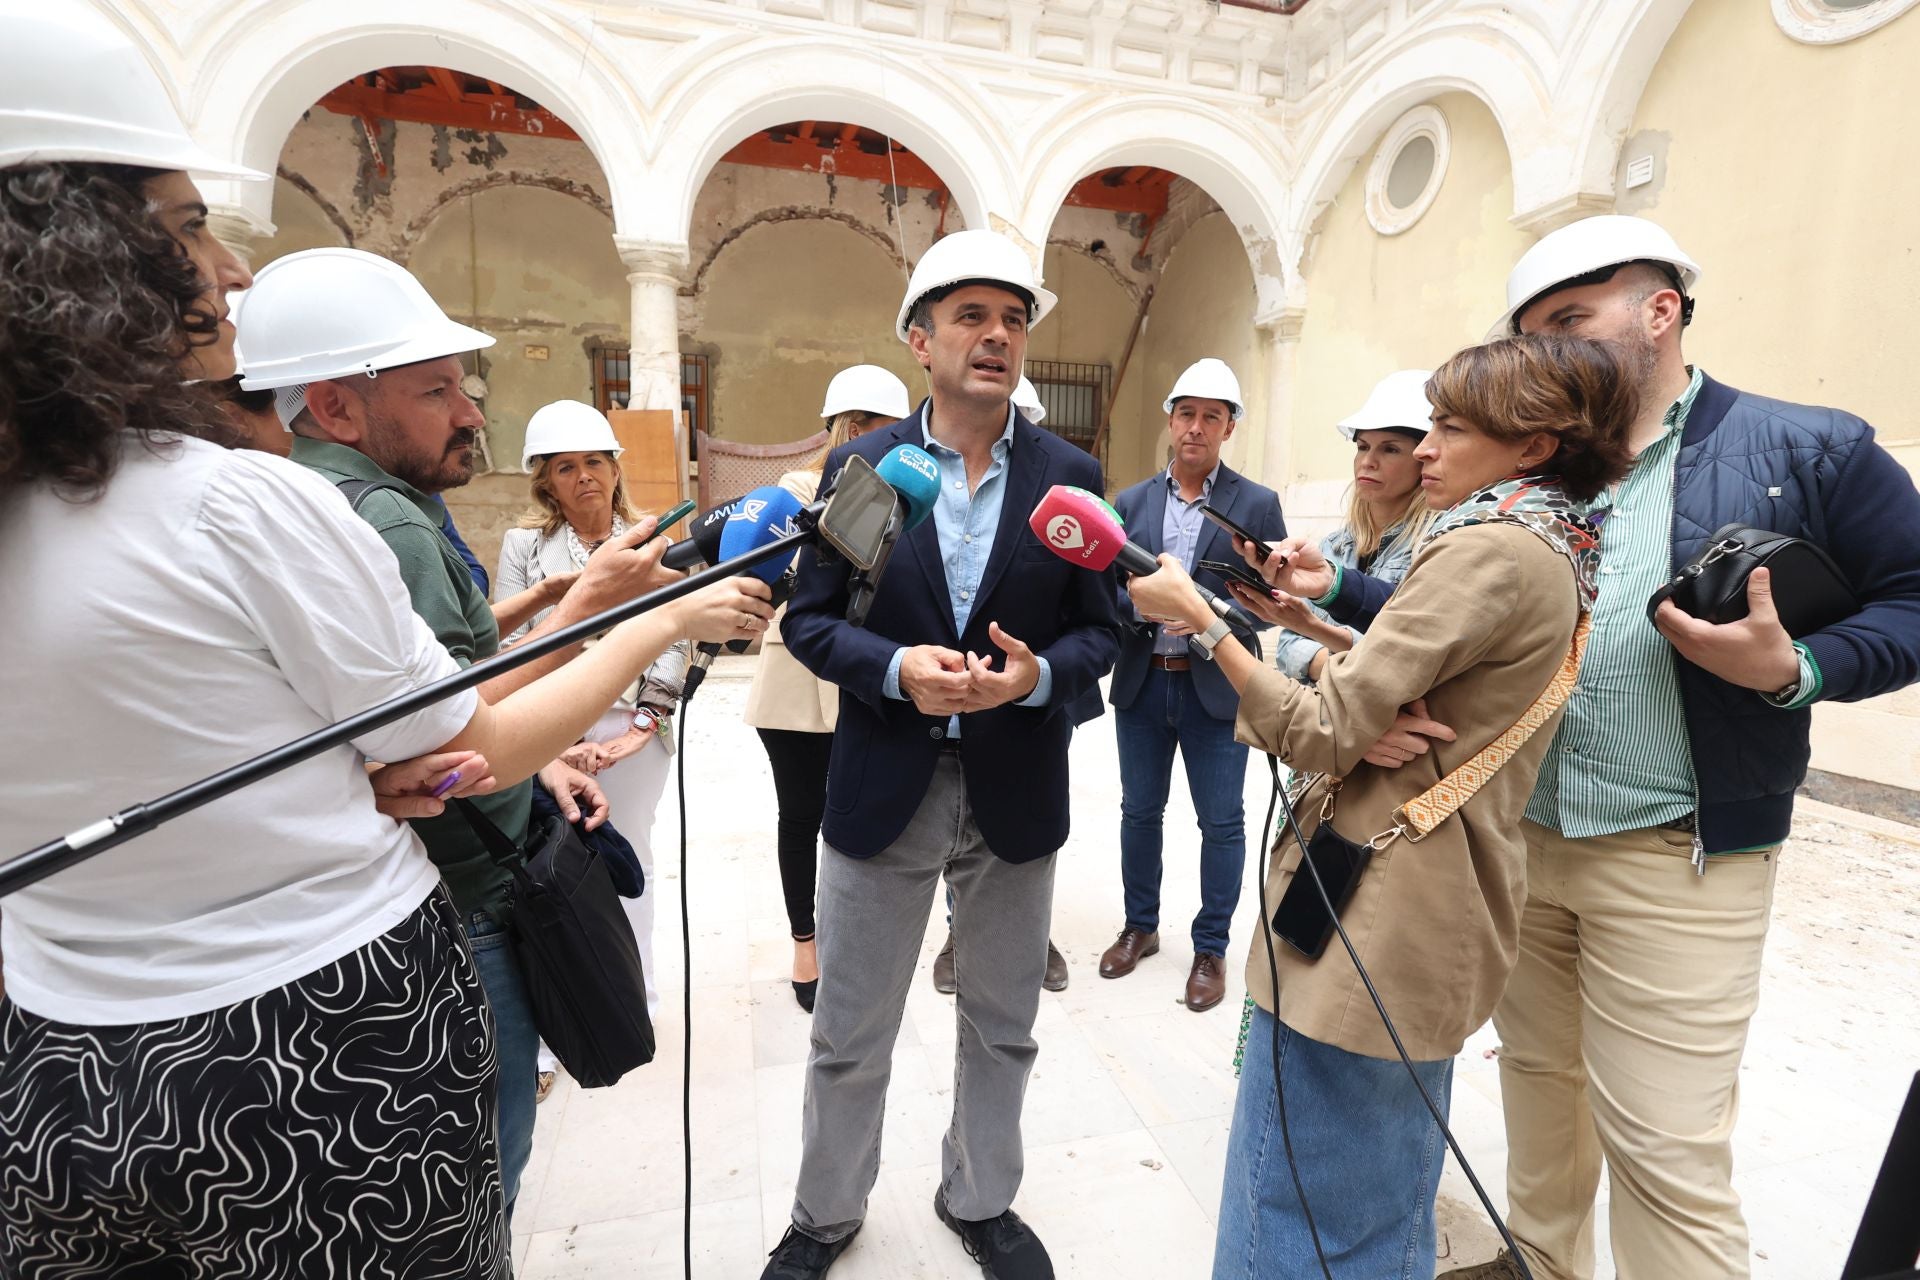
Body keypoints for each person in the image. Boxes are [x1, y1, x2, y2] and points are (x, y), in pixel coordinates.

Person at [0, 9, 773, 1275]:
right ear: (88, 248)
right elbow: (465, 744)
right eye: (191, 228)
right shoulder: (239, 504)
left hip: (63, 1057)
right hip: (315, 1055)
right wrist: (657, 621)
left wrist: (355, 749)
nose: (230, 272)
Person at [1421, 217, 1920, 1280]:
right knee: (1539, 1084)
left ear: (1661, 310)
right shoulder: (1544, 465)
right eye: (1533, 332)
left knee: (1663, 1145)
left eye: (1570, 320)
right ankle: (1542, 1259)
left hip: (1681, 856)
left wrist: (1799, 669)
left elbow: (1914, 597)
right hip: (1525, 839)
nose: (1549, 349)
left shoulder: (1810, 447)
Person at [1127, 334, 1635, 1280]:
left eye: (1448, 427)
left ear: (1530, 447)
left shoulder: (1485, 550)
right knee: (1377, 1196)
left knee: (1303, 1206)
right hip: (1428, 912)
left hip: (1378, 914)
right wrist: (1315, 638)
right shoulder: (1553, 544)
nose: (1424, 449)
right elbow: (1379, 690)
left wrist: (1203, 622)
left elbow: (1322, 731)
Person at [235, 246, 688, 1220]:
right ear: (338, 404)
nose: (474, 412)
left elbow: (433, 680)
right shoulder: (389, 521)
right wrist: (626, 615)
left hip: (387, 890)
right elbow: (463, 738)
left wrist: (553, 605)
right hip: (467, 897)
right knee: (487, 1168)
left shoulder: (304, 492)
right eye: (438, 388)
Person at [761, 229, 1122, 1280]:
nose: (998, 334)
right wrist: (896, 667)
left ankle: (980, 1196)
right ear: (921, 341)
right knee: (849, 1028)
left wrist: (1035, 678)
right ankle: (825, 1213)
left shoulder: (1071, 474)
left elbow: (1103, 631)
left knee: (1003, 1022)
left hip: (1015, 784)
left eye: (1014, 319)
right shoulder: (867, 469)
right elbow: (811, 623)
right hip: (885, 782)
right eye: (972, 315)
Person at [1100, 358, 1285, 1012]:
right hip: (1144, 684)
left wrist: (1207, 614)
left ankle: (1210, 948)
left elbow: (1271, 602)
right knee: (1139, 811)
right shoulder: (1132, 503)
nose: (1197, 427)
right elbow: (1109, 592)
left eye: (1212, 416)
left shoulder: (1256, 505)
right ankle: (1140, 927)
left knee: (1222, 822)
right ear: (1171, 421)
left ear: (1229, 427)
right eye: (1187, 413)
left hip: (1215, 689)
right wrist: (1140, 609)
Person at [497, 398, 689, 1027]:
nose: (583, 476)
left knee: (630, 858)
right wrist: (551, 744)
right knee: (555, 867)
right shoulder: (526, 545)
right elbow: (508, 641)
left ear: (614, 469)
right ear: (545, 481)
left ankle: (638, 1000)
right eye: (564, 467)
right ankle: (570, 1014)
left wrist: (643, 725)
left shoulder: (651, 538)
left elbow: (675, 633)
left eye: (593, 462)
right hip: (547, 725)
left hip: (630, 732)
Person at [743, 364, 910, 1013]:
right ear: (839, 428)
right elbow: (789, 580)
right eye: (861, 426)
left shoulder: (908, 501)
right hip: (796, 679)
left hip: (868, 677)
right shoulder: (797, 489)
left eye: (886, 429)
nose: (871, 439)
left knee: (863, 816)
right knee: (801, 814)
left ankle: (857, 937)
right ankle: (805, 941)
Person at [1270, 370, 1439, 685]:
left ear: (1424, 459)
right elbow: (1287, 646)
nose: (1368, 461)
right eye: (1363, 446)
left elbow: (1404, 662)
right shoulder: (1334, 544)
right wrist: (1348, 665)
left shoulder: (1431, 548)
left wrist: (1322, 654)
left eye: (1390, 449)